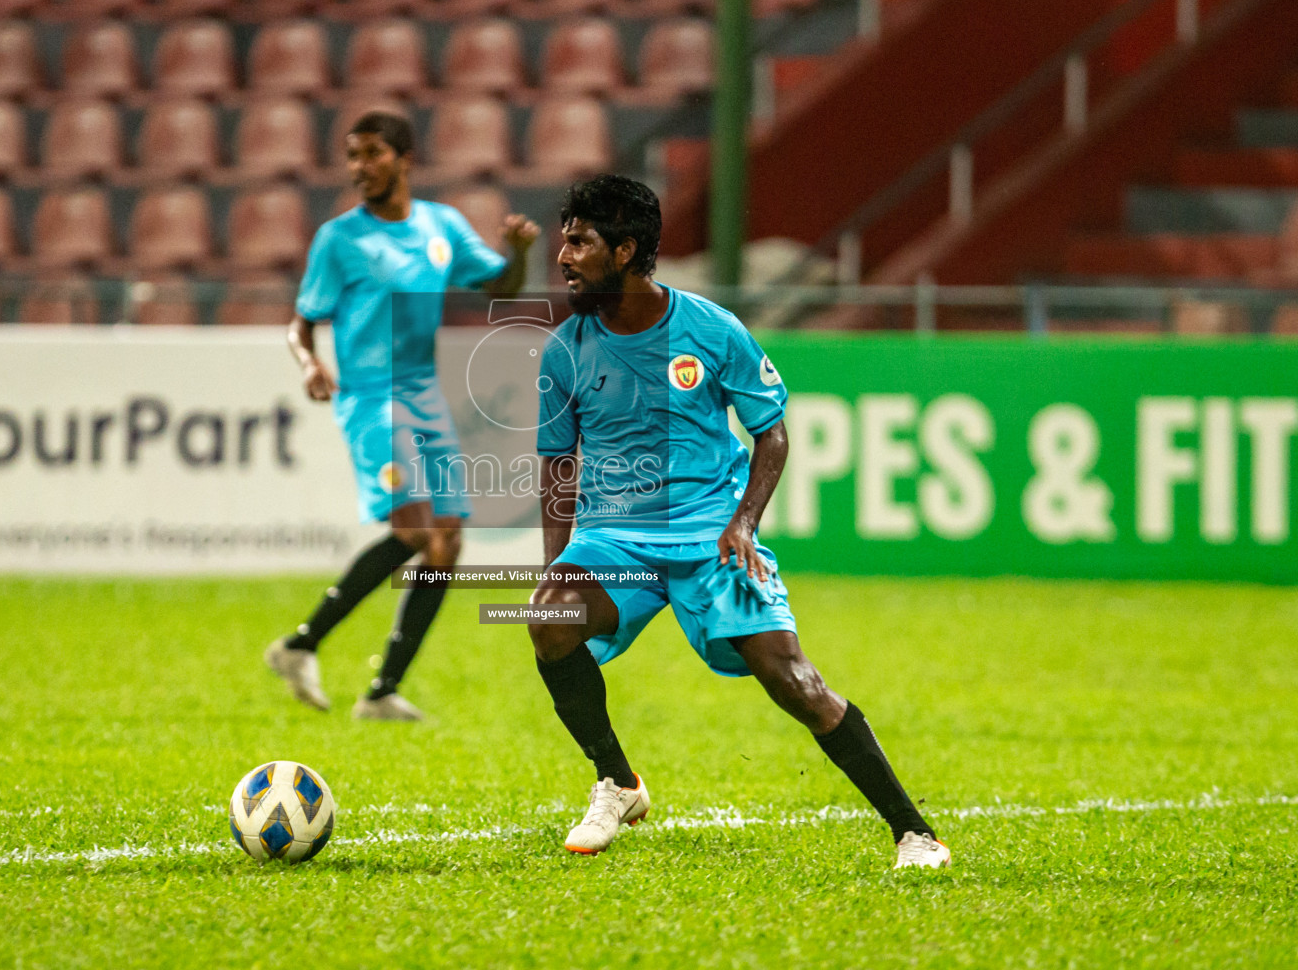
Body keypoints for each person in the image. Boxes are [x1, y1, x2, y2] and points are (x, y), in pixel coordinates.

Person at [527, 174, 949, 867]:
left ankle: (915, 832)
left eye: (579, 242)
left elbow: (771, 434)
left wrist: (744, 523)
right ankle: (616, 781)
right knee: (547, 618)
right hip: (616, 538)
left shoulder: (710, 329)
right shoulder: (565, 349)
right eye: (563, 241)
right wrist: (558, 564)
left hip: (709, 535)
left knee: (796, 684)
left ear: (626, 250)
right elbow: (557, 465)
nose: (564, 257)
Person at [266, 111, 541, 720]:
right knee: (416, 529)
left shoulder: (442, 226)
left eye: (371, 154)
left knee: (446, 545)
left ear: (404, 159)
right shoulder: (340, 239)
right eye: (352, 155)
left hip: (423, 394)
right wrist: (309, 364)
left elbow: (502, 288)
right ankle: (302, 645)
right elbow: (301, 320)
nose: (359, 167)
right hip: (371, 398)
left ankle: (380, 690)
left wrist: (517, 254)